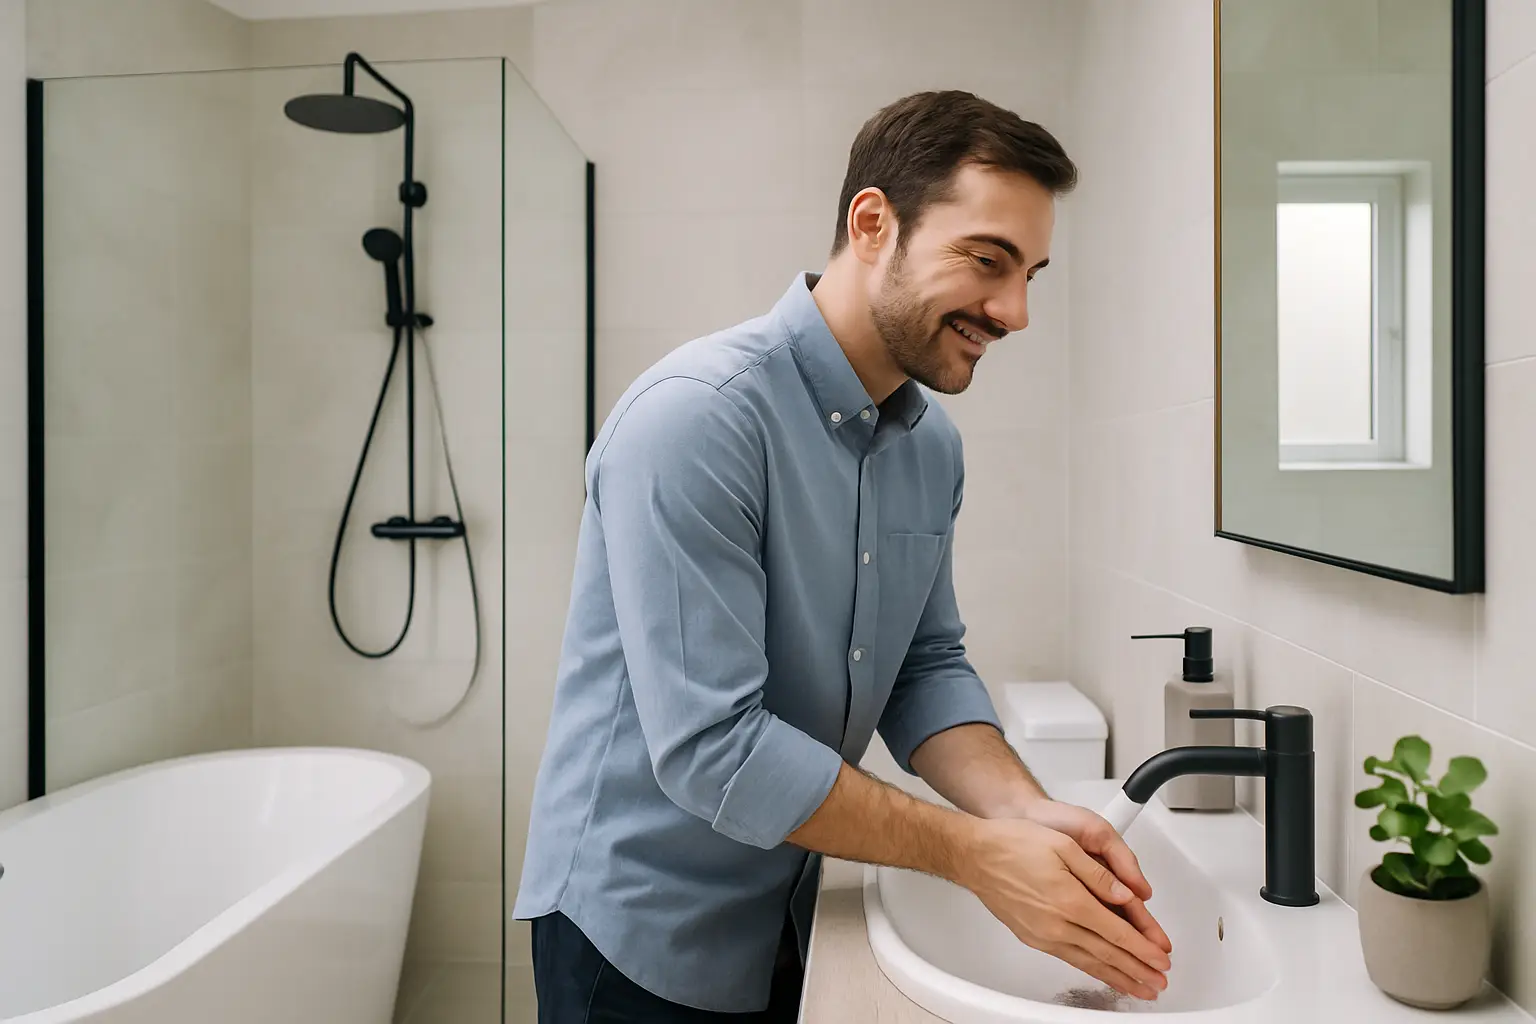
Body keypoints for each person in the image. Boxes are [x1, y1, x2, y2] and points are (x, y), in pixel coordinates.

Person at [514, 89, 1173, 1023]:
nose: (1017, 309)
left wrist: (1023, 815)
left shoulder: (930, 445)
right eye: (988, 260)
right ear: (873, 225)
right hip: (641, 933)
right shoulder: (696, 418)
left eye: (1032, 272)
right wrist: (972, 854)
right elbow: (713, 750)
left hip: (789, 907)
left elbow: (923, 665)